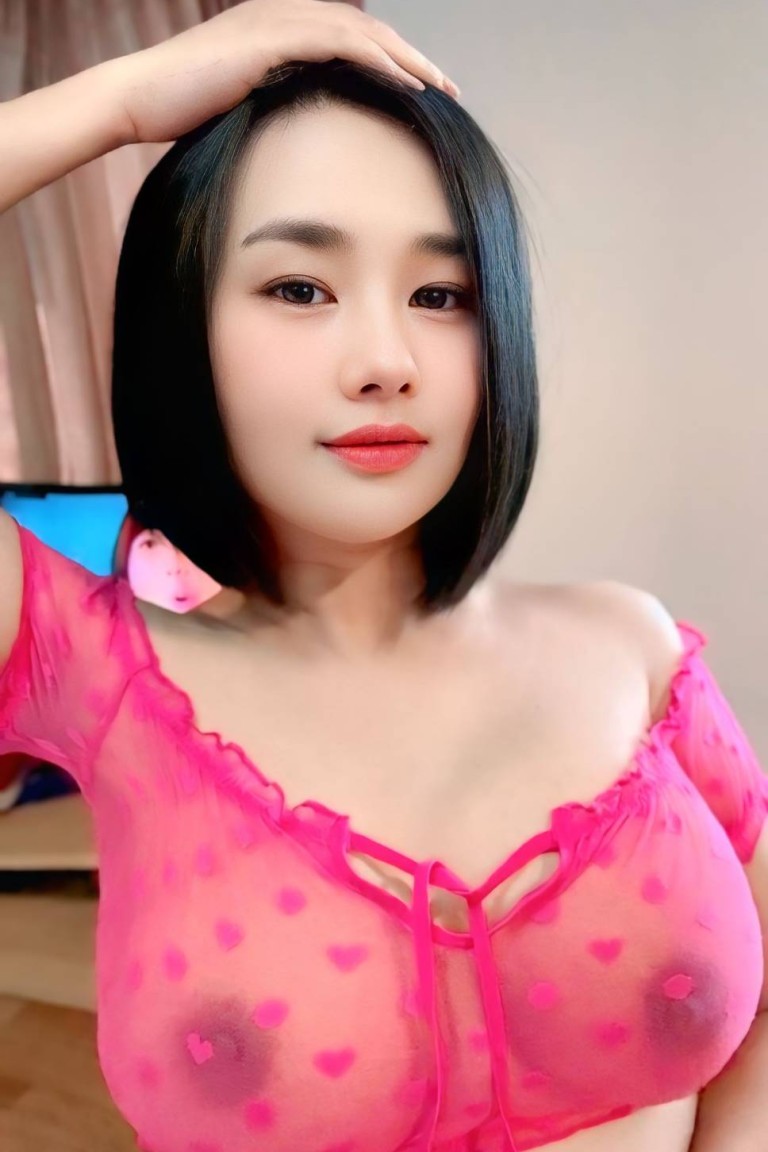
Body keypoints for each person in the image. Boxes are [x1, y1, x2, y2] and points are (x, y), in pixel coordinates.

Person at [0, 4, 765, 1151]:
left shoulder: (635, 652)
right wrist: (124, 98)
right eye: (300, 289)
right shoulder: (85, 663)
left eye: (441, 294)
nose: (385, 362)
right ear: (181, 327)